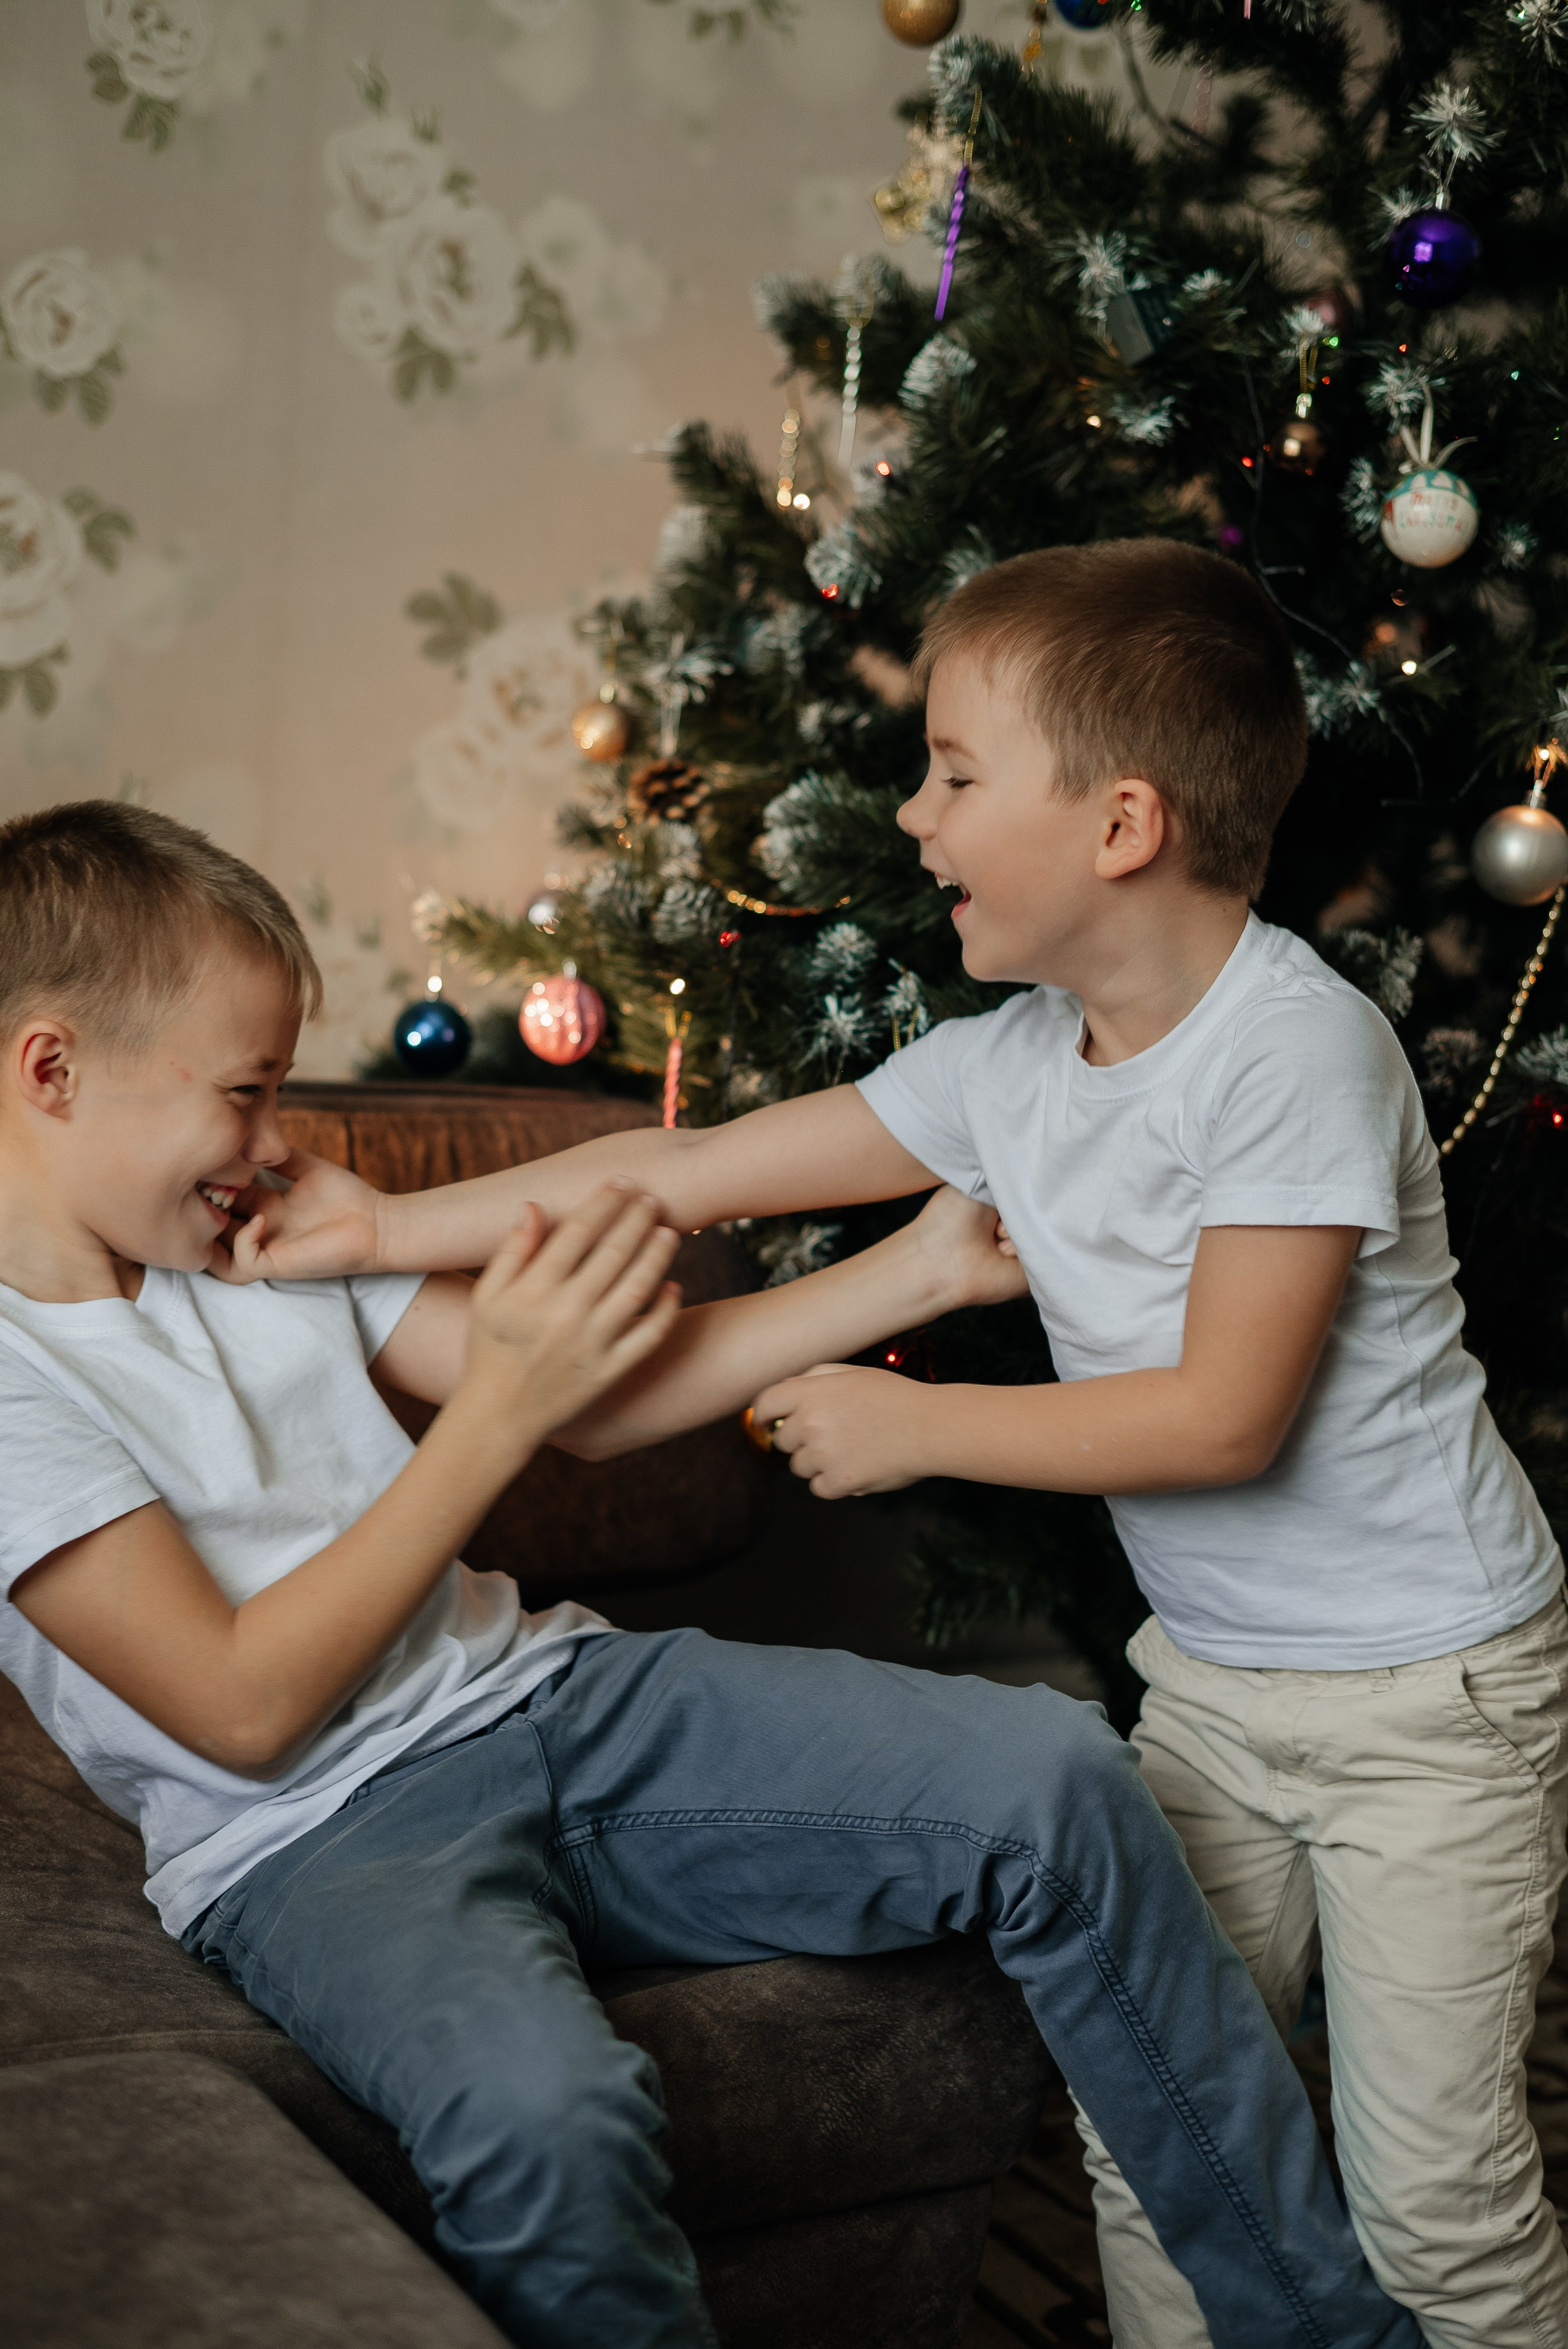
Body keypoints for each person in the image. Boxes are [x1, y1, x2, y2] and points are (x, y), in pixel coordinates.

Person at [238, 537, 1568, 2349]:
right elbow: (682, 1169)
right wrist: (378, 1229)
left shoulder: (1295, 1055)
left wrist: (918, 1417)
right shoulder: (1009, 1066)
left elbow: (1223, 1413)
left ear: (1119, 824)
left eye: (952, 771)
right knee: (1163, 2127)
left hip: (1434, 1703)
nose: (913, 811)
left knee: (1435, 2198)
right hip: (1219, 1689)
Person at [0, 797, 1415, 2349]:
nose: (277, 1142)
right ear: (51, 1070)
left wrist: (905, 1273)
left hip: (555, 1697)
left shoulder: (242, 1233)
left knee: (1055, 1774)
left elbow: (600, 1405)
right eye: (245, 1091)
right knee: (546, 2116)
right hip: (308, 1842)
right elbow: (244, 1707)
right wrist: (493, 1419)